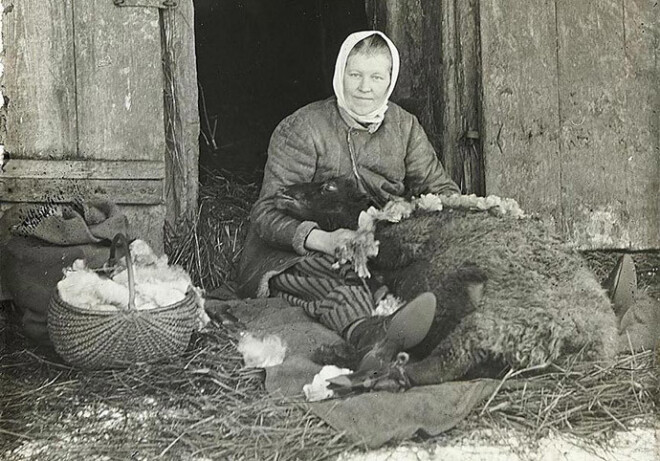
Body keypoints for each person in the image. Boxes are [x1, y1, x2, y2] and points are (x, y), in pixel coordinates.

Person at [237, 30, 461, 371]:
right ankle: (369, 336)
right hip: (297, 249)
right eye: (354, 75)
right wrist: (324, 240)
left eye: (376, 77)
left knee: (416, 272)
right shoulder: (303, 128)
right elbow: (267, 213)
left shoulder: (404, 127)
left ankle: (410, 325)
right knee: (338, 274)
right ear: (340, 73)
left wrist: (411, 213)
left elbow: (443, 192)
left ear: (390, 79)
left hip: (372, 243)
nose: (364, 88)